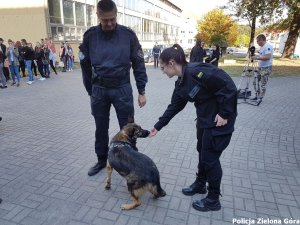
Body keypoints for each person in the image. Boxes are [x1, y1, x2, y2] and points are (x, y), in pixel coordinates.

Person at [149, 44, 237, 212]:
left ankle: (213, 199)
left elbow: (228, 86)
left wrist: (225, 113)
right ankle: (200, 184)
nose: (162, 71)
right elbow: (174, 107)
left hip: (220, 120)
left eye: (162, 67)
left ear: (172, 63)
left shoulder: (197, 71)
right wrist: (157, 126)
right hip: (205, 120)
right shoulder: (181, 83)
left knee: (210, 158)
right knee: (202, 151)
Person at [79, 0, 148, 176]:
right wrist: (90, 91)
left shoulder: (128, 35)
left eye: (112, 19)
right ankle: (102, 160)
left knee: (128, 129)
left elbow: (139, 64)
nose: (109, 23)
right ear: (98, 17)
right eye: (105, 20)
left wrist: (142, 91)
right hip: (99, 90)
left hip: (122, 88)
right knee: (100, 128)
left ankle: (131, 161)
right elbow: (85, 66)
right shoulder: (90, 36)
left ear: (116, 15)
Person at [251, 34, 273, 101]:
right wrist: (254, 54)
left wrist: (257, 57)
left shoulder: (267, 46)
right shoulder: (261, 47)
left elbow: (267, 57)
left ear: (261, 40)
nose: (257, 43)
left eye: (258, 41)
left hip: (266, 68)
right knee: (255, 82)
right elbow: (260, 54)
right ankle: (257, 95)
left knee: (263, 84)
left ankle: (260, 98)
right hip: (260, 67)